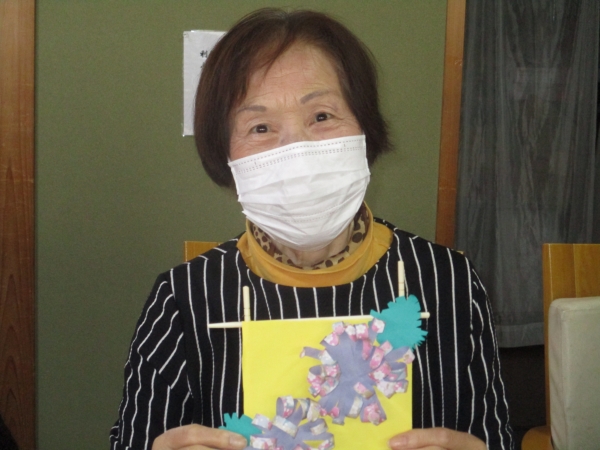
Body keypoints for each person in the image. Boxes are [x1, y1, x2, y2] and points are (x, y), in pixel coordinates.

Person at [110, 8, 514, 450]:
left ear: (366, 130)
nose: (296, 150)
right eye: (260, 127)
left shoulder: (449, 282)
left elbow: (492, 435)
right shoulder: (183, 299)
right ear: (224, 157)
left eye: (321, 116)